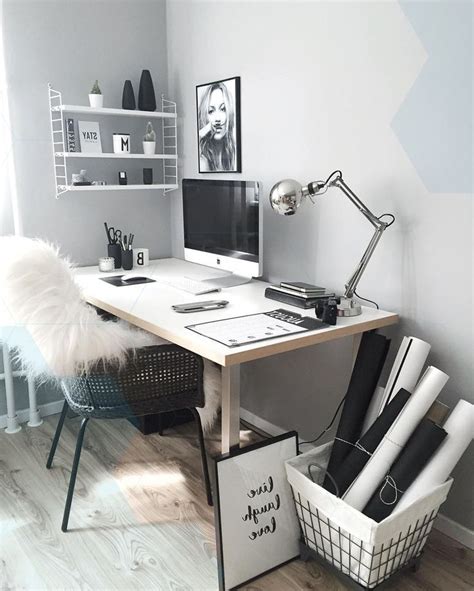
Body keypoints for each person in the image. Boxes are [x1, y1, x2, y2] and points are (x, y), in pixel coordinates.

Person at [198, 82, 236, 171]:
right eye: (211, 111)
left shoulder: (232, 154)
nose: (217, 119)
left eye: (223, 109)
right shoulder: (202, 162)